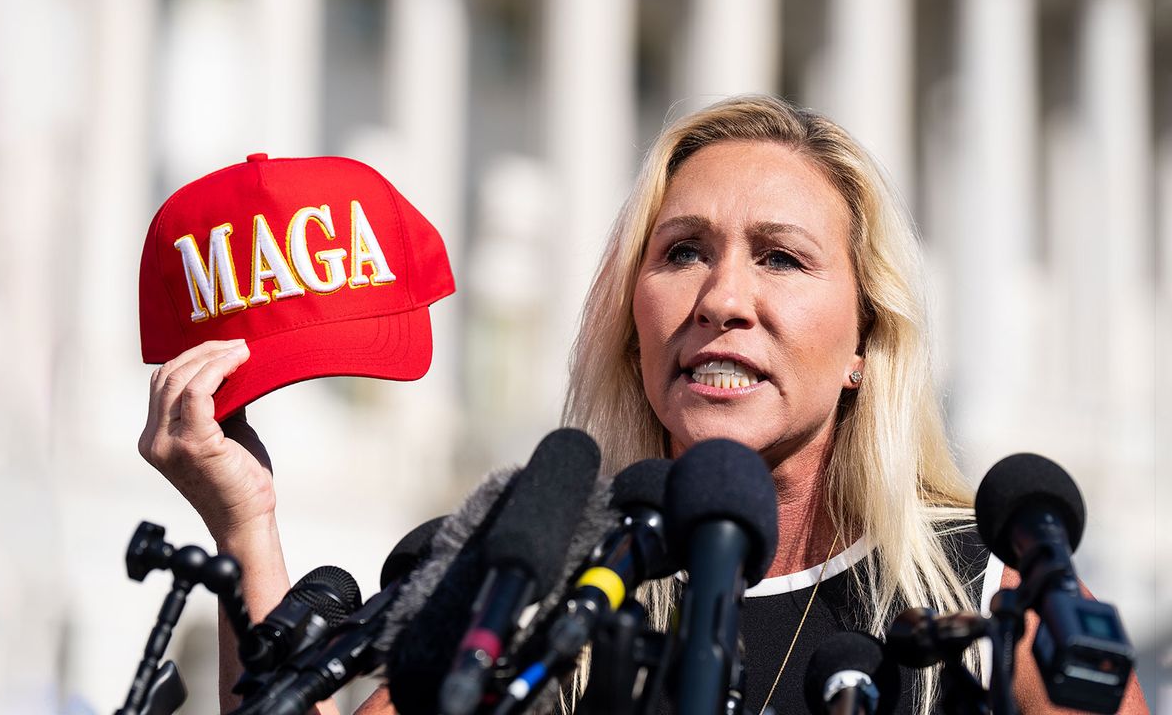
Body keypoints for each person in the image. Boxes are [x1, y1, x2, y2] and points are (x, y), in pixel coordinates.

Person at [139, 95, 1147, 714]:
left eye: (781, 258)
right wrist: (246, 525)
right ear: (633, 317)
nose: (722, 299)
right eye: (682, 252)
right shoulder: (537, 569)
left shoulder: (987, 598)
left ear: (864, 342)